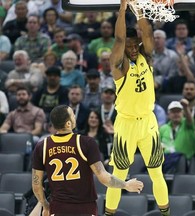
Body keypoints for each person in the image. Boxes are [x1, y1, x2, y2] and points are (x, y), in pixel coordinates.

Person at [105, 0, 170, 215]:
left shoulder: (146, 56)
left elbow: (148, 33)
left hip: (148, 121)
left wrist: (139, 9)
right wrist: (123, 10)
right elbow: (120, 38)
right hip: (126, 124)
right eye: (130, 47)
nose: (133, 49)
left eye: (136, 45)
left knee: (156, 173)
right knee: (119, 174)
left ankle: (166, 213)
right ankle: (108, 213)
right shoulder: (118, 65)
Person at [32, 105, 144, 216]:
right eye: (72, 115)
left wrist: (46, 206)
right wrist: (126, 185)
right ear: (68, 123)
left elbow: (36, 185)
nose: (75, 116)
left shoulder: (42, 146)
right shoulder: (86, 143)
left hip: (57, 209)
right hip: (84, 208)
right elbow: (103, 177)